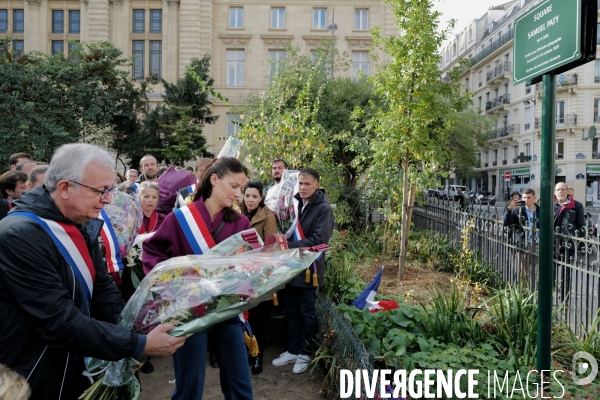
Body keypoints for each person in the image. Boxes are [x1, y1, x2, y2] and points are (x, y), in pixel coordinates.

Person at [0, 143, 185, 400]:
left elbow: (103, 292)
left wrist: (135, 334)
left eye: (110, 189)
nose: (109, 199)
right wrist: (136, 345)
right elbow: (59, 321)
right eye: (101, 190)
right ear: (65, 188)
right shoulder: (19, 235)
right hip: (30, 377)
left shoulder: (79, 222)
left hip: (70, 365)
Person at [143, 156, 253, 400]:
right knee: (189, 386)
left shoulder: (241, 222)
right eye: (234, 186)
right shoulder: (179, 219)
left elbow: (247, 265)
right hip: (189, 311)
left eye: (242, 189)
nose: (239, 194)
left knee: (240, 383)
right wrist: (173, 285)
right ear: (214, 179)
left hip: (227, 310)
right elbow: (152, 253)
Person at [272, 168, 333, 374]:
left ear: (317, 184)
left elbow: (319, 241)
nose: (303, 187)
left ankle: (305, 353)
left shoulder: (323, 208)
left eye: (307, 184)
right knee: (291, 310)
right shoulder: (294, 203)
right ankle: (292, 350)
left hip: (309, 267)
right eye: (300, 184)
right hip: (291, 266)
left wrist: (287, 246)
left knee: (307, 312)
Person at [240, 180, 278, 375]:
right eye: (247, 196)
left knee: (260, 317)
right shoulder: (238, 213)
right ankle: (249, 350)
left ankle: (258, 355)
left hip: (260, 274)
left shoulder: (268, 217)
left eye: (255, 196)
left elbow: (270, 248)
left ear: (261, 197)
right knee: (245, 315)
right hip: (242, 274)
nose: (251, 200)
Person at [554, 182, 585, 301]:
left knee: (566, 274)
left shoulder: (576, 205)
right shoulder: (550, 204)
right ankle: (549, 296)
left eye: (563, 189)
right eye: (558, 190)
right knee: (550, 272)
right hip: (552, 244)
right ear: (555, 192)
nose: (560, 192)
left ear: (567, 191)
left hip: (568, 245)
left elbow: (581, 225)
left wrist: (573, 236)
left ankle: (564, 299)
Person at [503, 188, 539, 288]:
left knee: (538, 273)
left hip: (538, 245)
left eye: (529, 197)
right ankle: (524, 295)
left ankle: (537, 296)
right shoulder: (517, 210)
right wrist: (509, 210)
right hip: (524, 245)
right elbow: (506, 223)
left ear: (534, 198)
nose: (526, 200)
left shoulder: (540, 211)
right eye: (524, 197)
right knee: (524, 273)